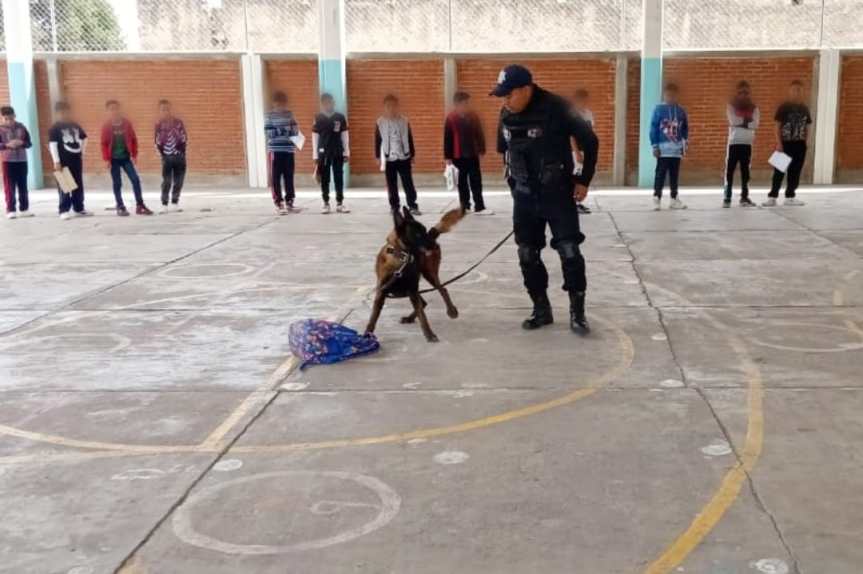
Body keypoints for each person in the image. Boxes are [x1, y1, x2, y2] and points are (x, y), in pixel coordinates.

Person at [493, 64, 598, 334]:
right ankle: (541, 309)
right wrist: (514, 185)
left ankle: (577, 313)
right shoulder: (506, 114)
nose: (505, 101)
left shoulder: (558, 107)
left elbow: (590, 141)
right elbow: (504, 150)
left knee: (570, 252)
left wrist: (583, 180)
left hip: (557, 194)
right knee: (527, 254)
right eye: (502, 96)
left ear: (526, 89)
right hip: (525, 197)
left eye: (509, 94)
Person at [444, 91, 492, 215]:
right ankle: (465, 206)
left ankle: (479, 206)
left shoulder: (473, 116)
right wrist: (447, 157)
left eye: (467, 103)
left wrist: (481, 149)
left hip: (472, 154)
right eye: (464, 103)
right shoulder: (451, 118)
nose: (467, 105)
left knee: (476, 181)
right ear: (457, 104)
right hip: (458, 155)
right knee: (462, 183)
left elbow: (479, 133)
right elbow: (447, 138)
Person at [101, 100, 152, 216]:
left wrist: (134, 154)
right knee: (117, 183)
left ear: (119, 109)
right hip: (113, 159)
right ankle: (120, 206)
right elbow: (103, 143)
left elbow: (133, 139)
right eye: (111, 109)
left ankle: (140, 205)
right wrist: (106, 159)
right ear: (108, 111)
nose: (114, 111)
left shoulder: (126, 123)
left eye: (116, 108)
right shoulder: (106, 126)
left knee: (135, 179)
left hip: (126, 158)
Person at [764, 80, 810, 207]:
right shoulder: (783, 107)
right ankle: (772, 197)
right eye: (794, 90)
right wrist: (779, 143)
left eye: (799, 90)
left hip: (800, 144)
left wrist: (806, 142)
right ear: (790, 91)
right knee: (778, 172)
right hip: (784, 144)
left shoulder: (805, 108)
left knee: (795, 172)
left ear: (802, 92)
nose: (797, 92)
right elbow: (777, 126)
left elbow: (806, 127)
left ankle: (790, 197)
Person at [375, 94, 420, 215]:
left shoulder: (404, 121)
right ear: (384, 107)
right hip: (389, 158)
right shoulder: (380, 122)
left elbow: (409, 138)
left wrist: (412, 155)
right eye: (388, 106)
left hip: (404, 157)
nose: (391, 108)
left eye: (394, 106)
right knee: (391, 185)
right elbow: (377, 140)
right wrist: (378, 157)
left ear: (397, 106)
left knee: (408, 183)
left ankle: (412, 205)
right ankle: (394, 207)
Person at [48, 101, 90, 220]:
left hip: (76, 159)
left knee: (77, 185)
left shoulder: (75, 125)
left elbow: (84, 138)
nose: (64, 114)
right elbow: (53, 145)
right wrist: (56, 161)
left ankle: (78, 208)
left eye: (66, 111)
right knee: (65, 186)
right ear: (57, 113)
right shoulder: (55, 128)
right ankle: (64, 209)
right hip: (63, 161)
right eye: (61, 112)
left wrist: (82, 151)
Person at [649, 83, 688, 210]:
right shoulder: (658, 109)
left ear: (677, 96)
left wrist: (684, 145)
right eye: (668, 95)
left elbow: (685, 129)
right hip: (663, 150)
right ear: (664, 95)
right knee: (660, 174)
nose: (670, 98)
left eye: (673, 96)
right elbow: (653, 128)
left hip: (676, 150)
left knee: (674, 175)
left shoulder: (681, 111)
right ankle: (657, 198)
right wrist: (655, 146)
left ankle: (674, 199)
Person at [313, 92, 350, 214]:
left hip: (338, 151)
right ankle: (326, 203)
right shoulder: (318, 118)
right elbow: (315, 138)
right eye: (326, 103)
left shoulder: (340, 117)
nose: (328, 105)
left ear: (333, 103)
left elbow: (345, 136)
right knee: (325, 178)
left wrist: (346, 152)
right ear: (322, 104)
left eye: (330, 102)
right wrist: (315, 155)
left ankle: (340, 203)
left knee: (338, 177)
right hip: (323, 153)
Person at [265, 91, 300, 215]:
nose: (281, 106)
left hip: (288, 150)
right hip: (275, 151)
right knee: (275, 177)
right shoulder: (269, 116)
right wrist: (285, 130)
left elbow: (295, 131)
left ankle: (289, 201)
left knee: (289, 176)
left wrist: (282, 130)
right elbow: (269, 133)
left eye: (283, 103)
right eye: (278, 103)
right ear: (274, 103)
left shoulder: (290, 115)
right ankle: (279, 202)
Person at [724, 81, 759, 208]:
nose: (743, 95)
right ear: (737, 93)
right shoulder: (731, 106)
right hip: (734, 143)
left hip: (747, 143)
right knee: (730, 171)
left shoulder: (754, 108)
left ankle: (744, 197)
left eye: (746, 92)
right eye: (741, 92)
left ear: (749, 93)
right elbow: (733, 121)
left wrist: (742, 122)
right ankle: (727, 198)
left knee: (745, 172)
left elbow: (755, 124)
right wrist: (747, 121)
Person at [154, 99, 188, 214]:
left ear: (171, 109)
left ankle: (175, 202)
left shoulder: (178, 122)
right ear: (159, 111)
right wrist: (162, 154)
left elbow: (184, 137)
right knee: (167, 181)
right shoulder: (158, 124)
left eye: (167, 109)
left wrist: (182, 152)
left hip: (179, 156)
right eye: (163, 109)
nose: (166, 111)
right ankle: (164, 204)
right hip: (167, 157)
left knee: (179, 180)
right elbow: (157, 141)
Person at [0, 106, 33, 219]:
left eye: (11, 118)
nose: (9, 121)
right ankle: (11, 210)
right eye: (6, 119)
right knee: (9, 186)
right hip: (7, 161)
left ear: (14, 116)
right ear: (2, 118)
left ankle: (24, 209)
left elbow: (29, 143)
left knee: (23, 185)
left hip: (22, 160)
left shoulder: (22, 127)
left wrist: (22, 143)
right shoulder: (0, 129)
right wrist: (6, 145)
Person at [571, 88, 594, 215]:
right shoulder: (572, 115)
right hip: (575, 151)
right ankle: (572, 203)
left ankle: (578, 202)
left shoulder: (588, 114)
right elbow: (571, 136)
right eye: (581, 100)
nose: (583, 103)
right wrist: (577, 153)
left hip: (586, 149)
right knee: (575, 176)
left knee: (582, 177)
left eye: (585, 100)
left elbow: (591, 132)